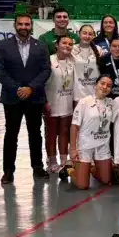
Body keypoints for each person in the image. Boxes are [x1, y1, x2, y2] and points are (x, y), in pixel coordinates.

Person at [0, 13, 52, 184]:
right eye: (20, 24)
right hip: (12, 97)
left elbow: (46, 70)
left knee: (35, 134)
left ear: (31, 26)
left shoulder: (40, 46)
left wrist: (31, 88)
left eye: (27, 24)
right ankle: (8, 170)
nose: (24, 27)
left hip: (34, 97)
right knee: (11, 134)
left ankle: (38, 167)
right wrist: (18, 89)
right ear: (15, 25)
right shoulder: (3, 45)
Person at [69, 75, 114, 190]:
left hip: (102, 144)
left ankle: (91, 169)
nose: (105, 87)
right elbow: (74, 126)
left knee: (106, 180)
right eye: (102, 83)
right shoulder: (84, 102)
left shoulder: (111, 103)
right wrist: (73, 149)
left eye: (109, 86)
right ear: (96, 85)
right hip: (85, 145)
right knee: (83, 186)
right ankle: (72, 171)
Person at [44, 34, 76, 173]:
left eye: (70, 44)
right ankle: (51, 161)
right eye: (64, 43)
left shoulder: (73, 61)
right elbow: (40, 82)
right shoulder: (48, 61)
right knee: (51, 133)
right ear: (57, 45)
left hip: (67, 102)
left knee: (64, 132)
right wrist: (44, 102)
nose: (67, 46)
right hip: (52, 102)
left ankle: (64, 161)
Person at [72, 25, 101, 105]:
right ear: (79, 34)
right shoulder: (72, 49)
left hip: (95, 94)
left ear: (94, 36)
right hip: (78, 95)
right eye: (84, 33)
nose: (87, 36)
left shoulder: (98, 49)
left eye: (90, 34)